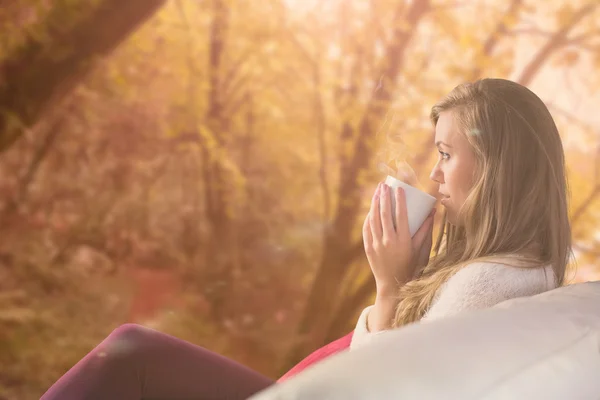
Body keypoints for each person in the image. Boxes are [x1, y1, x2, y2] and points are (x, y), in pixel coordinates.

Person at [40, 78, 571, 399]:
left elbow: (383, 391)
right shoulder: (513, 270)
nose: (434, 175)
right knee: (134, 355)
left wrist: (389, 286)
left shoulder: (488, 282)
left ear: (500, 166)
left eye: (447, 154)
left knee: (132, 354)